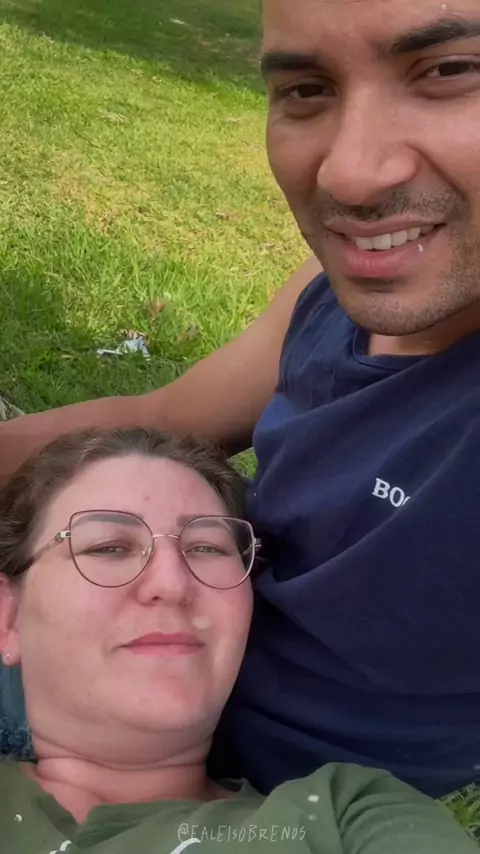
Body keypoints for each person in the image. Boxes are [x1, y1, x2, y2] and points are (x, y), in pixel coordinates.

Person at [2, 0, 480, 800]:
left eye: (451, 71)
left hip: (220, 795)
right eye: (306, 88)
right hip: (104, 652)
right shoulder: (338, 291)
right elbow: (165, 417)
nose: (349, 173)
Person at [0, 426, 476, 854]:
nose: (172, 582)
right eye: (108, 547)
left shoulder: (340, 818)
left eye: (206, 548)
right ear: (9, 616)